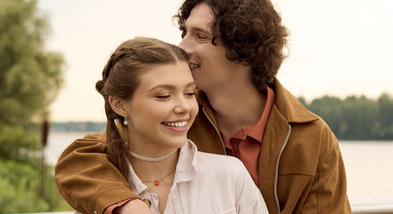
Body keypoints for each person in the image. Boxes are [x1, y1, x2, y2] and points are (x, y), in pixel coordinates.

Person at [56, 0, 352, 214]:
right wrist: (125, 204)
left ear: (242, 47)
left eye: (199, 36)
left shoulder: (311, 138)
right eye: (184, 32)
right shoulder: (177, 117)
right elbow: (79, 159)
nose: (181, 47)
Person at [82, 37, 268, 214]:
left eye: (189, 93)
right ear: (119, 105)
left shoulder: (230, 176)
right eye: (163, 95)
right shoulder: (96, 191)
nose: (184, 107)